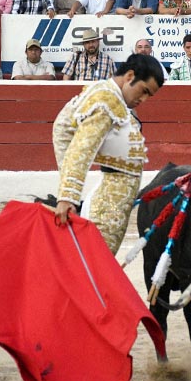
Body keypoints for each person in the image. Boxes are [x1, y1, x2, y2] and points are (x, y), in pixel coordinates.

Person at [53, 53, 164, 255]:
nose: (144, 99)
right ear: (130, 76)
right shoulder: (106, 100)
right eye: (144, 91)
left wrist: (67, 187)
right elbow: (81, 148)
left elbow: (62, 128)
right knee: (94, 269)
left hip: (112, 204)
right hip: (106, 207)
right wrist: (68, 197)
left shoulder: (109, 96)